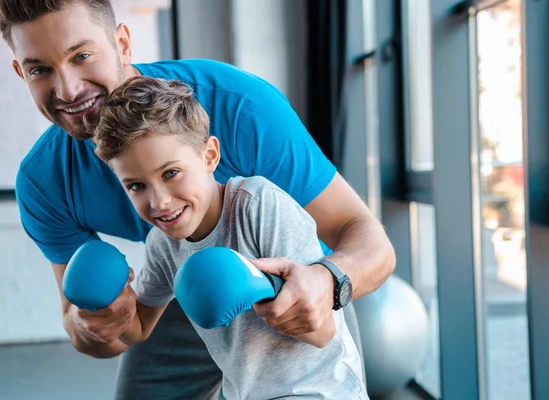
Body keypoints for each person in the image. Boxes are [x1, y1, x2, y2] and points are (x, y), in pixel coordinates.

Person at [0, 0, 396, 398]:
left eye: (81, 55)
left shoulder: (241, 108)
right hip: (181, 279)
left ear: (123, 43)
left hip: (285, 281)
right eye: (40, 69)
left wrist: (326, 282)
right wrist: (95, 324)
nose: (68, 89)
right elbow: (102, 334)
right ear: (20, 73)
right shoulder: (44, 181)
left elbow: (370, 244)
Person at [89, 75, 369, 399]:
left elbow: (323, 334)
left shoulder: (259, 206)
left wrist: (262, 290)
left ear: (209, 156)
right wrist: (112, 304)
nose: (159, 202)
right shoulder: (163, 245)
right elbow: (138, 328)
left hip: (319, 389)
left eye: (170, 174)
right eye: (136, 186)